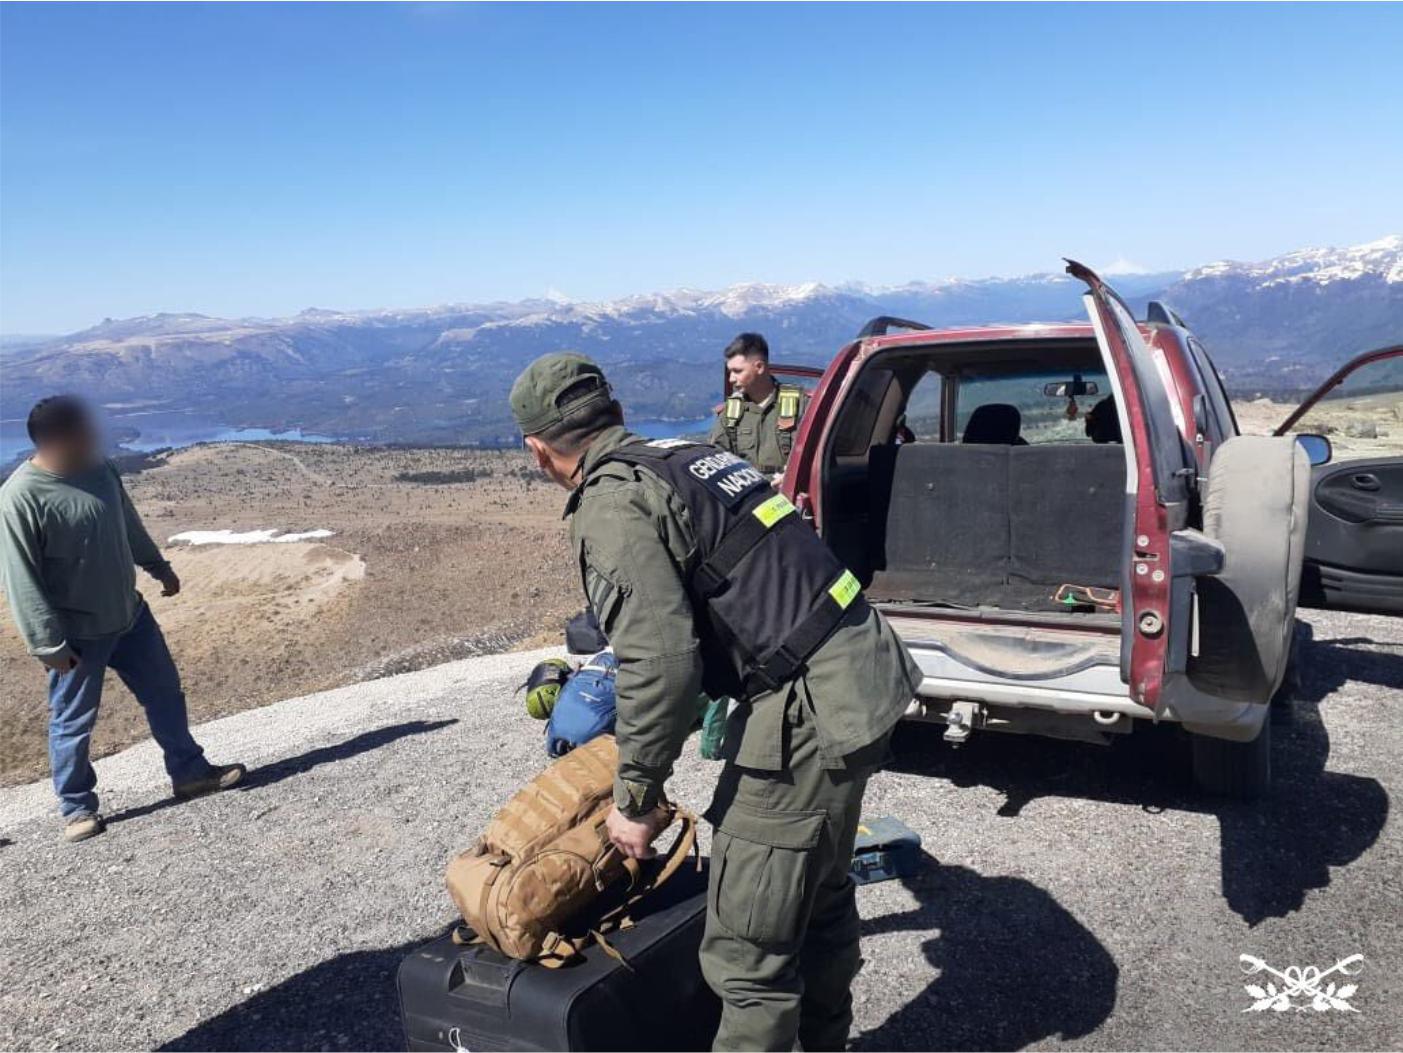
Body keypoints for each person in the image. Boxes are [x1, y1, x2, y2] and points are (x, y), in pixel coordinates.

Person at [510, 353, 921, 1051]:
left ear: (538, 448)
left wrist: (635, 798)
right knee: (815, 890)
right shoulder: (688, 455)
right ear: (610, 412)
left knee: (745, 948)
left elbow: (660, 662)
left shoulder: (610, 501)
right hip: (861, 668)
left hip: (808, 708)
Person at [0, 396, 244, 843]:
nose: (96, 433)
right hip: (76, 636)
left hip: (131, 618)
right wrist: (46, 644)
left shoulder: (99, 468)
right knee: (73, 722)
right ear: (60, 438)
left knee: (166, 695)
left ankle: (191, 775)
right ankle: (77, 809)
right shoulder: (20, 498)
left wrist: (158, 567)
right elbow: (21, 578)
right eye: (86, 428)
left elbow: (127, 525)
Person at [708, 332, 810, 478]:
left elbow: (816, 456)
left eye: (737, 371)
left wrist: (791, 476)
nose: (731, 379)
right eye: (730, 372)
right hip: (747, 493)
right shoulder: (731, 412)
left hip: (787, 493)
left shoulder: (800, 405)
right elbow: (716, 459)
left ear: (759, 367)